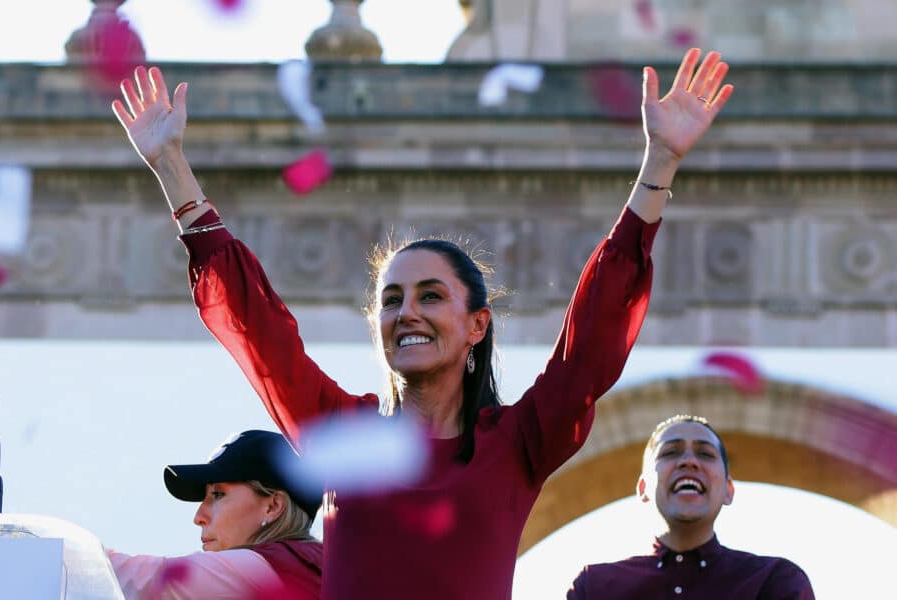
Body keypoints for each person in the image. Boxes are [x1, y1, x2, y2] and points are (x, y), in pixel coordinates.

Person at [111, 47, 734, 598]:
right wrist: (171, 167)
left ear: (476, 326)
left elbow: (592, 341)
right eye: (391, 300)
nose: (405, 312)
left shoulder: (517, 445)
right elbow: (259, 335)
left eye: (431, 296)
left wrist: (659, 167)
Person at [567, 415, 815, 599]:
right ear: (643, 489)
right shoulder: (595, 587)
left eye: (705, 454)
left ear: (729, 490)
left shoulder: (774, 582)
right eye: (670, 452)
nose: (688, 461)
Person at [107, 429, 322, 599]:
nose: (199, 517)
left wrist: (75, 549)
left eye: (218, 494)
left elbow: (131, 580)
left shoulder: (265, 568)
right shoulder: (315, 564)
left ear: (272, 506)